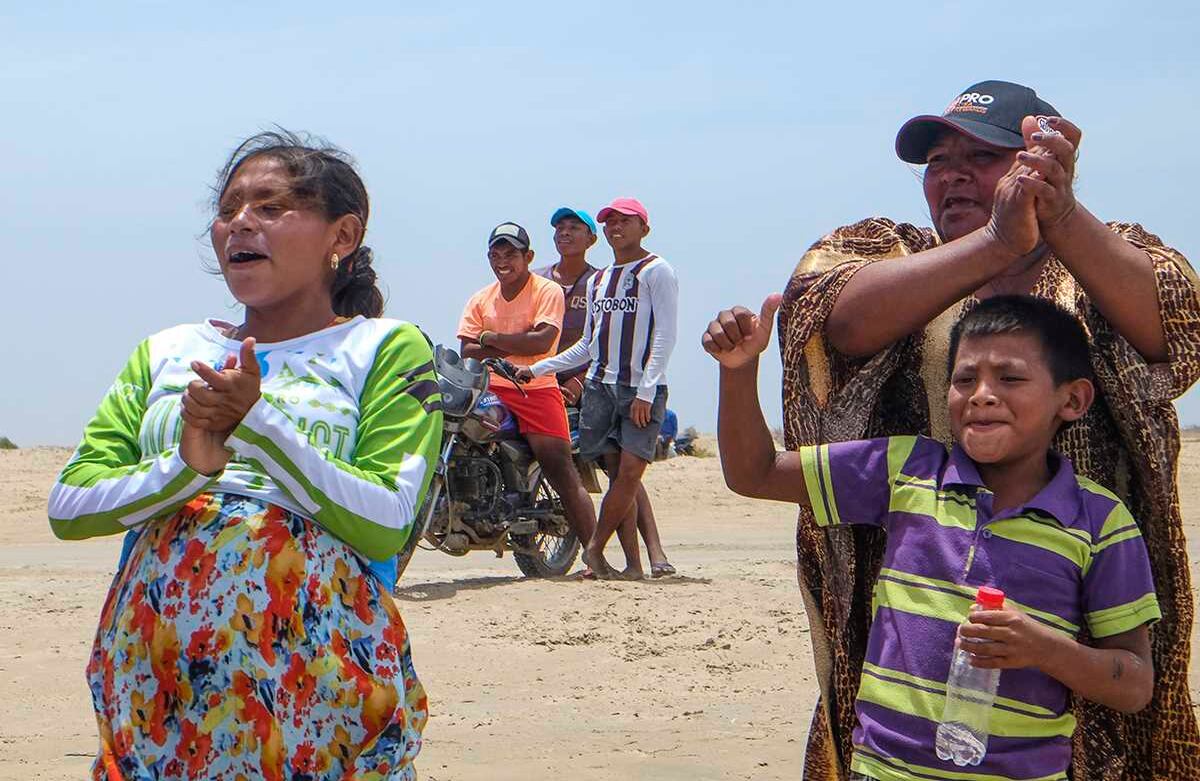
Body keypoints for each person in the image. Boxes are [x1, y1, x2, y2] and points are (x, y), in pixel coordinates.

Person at [775, 80, 1200, 778]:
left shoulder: (1100, 255)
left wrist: (1060, 218)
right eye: (940, 161)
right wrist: (997, 244)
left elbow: (1177, 328)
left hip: (1079, 598)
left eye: (983, 155)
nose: (954, 174)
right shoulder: (893, 248)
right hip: (913, 620)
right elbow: (829, 317)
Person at [48, 131, 440, 779]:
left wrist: (255, 423)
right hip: (161, 678)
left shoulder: (383, 349)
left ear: (341, 237)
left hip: (315, 682)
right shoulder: (168, 351)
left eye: (271, 206)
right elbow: (69, 505)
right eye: (229, 208)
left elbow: (386, 518)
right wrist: (187, 467)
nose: (241, 224)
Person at [706, 293, 1159, 781]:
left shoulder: (1100, 521)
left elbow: (1133, 685)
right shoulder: (908, 470)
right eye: (965, 379)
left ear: (1072, 400)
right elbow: (755, 473)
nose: (982, 394)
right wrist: (738, 370)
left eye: (1009, 377)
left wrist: (1044, 649)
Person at [518, 197, 678, 580]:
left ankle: (594, 548)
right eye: (610, 222)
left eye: (625, 221)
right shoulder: (601, 279)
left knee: (629, 473)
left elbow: (665, 336)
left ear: (644, 227)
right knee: (617, 472)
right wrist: (538, 369)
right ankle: (635, 564)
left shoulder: (657, 271)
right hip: (598, 388)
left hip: (636, 388)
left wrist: (645, 390)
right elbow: (589, 344)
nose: (616, 228)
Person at [457, 221, 598, 554]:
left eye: (511, 253)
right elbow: (467, 350)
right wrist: (515, 344)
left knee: (559, 468)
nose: (502, 261)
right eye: (496, 254)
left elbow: (543, 341)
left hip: (535, 388)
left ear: (528, 256)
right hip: (490, 387)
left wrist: (489, 339)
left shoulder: (546, 291)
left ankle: (595, 554)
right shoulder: (480, 299)